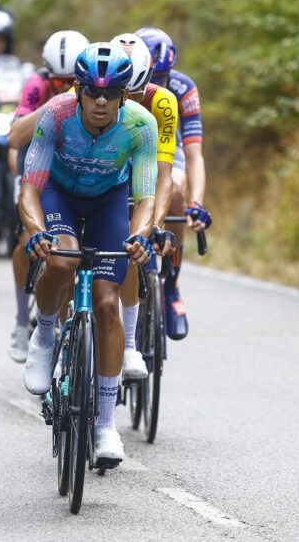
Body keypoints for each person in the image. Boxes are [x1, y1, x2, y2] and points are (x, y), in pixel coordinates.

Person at [19, 42, 158, 463]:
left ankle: (104, 425)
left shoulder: (140, 126)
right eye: (93, 92)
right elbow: (30, 188)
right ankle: (44, 336)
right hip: (59, 194)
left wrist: (141, 235)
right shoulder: (57, 114)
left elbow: (146, 195)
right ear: (77, 90)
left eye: (111, 93)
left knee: (107, 303)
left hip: (107, 202)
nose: (101, 101)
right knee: (61, 261)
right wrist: (37, 231)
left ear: (125, 96)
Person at [5, 29, 88, 362]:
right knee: (28, 239)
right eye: (58, 81)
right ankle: (23, 321)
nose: (64, 86)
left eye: (71, 81)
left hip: (78, 172)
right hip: (38, 169)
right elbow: (14, 138)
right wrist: (57, 104)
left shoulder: (94, 86)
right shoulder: (37, 84)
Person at [135, 27, 212, 341]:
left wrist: (197, 202)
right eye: (155, 77)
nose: (160, 85)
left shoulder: (182, 87)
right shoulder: (123, 79)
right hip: (131, 142)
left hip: (169, 145)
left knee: (176, 191)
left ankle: (172, 284)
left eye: (165, 77)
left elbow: (194, 154)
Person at [110, 32, 179, 379]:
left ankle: (131, 342)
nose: (127, 100)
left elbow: (163, 173)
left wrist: (155, 222)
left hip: (141, 175)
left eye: (136, 93)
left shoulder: (163, 103)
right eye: (121, 91)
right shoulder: (91, 96)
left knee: (133, 244)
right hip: (103, 176)